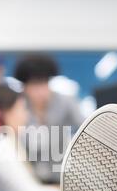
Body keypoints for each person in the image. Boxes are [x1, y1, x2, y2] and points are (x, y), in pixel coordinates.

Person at [14, 53, 85, 183]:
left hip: (62, 180)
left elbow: (86, 128)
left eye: (44, 83)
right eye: (35, 85)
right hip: (29, 182)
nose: (41, 91)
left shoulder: (66, 102)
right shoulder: (17, 108)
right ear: (24, 86)